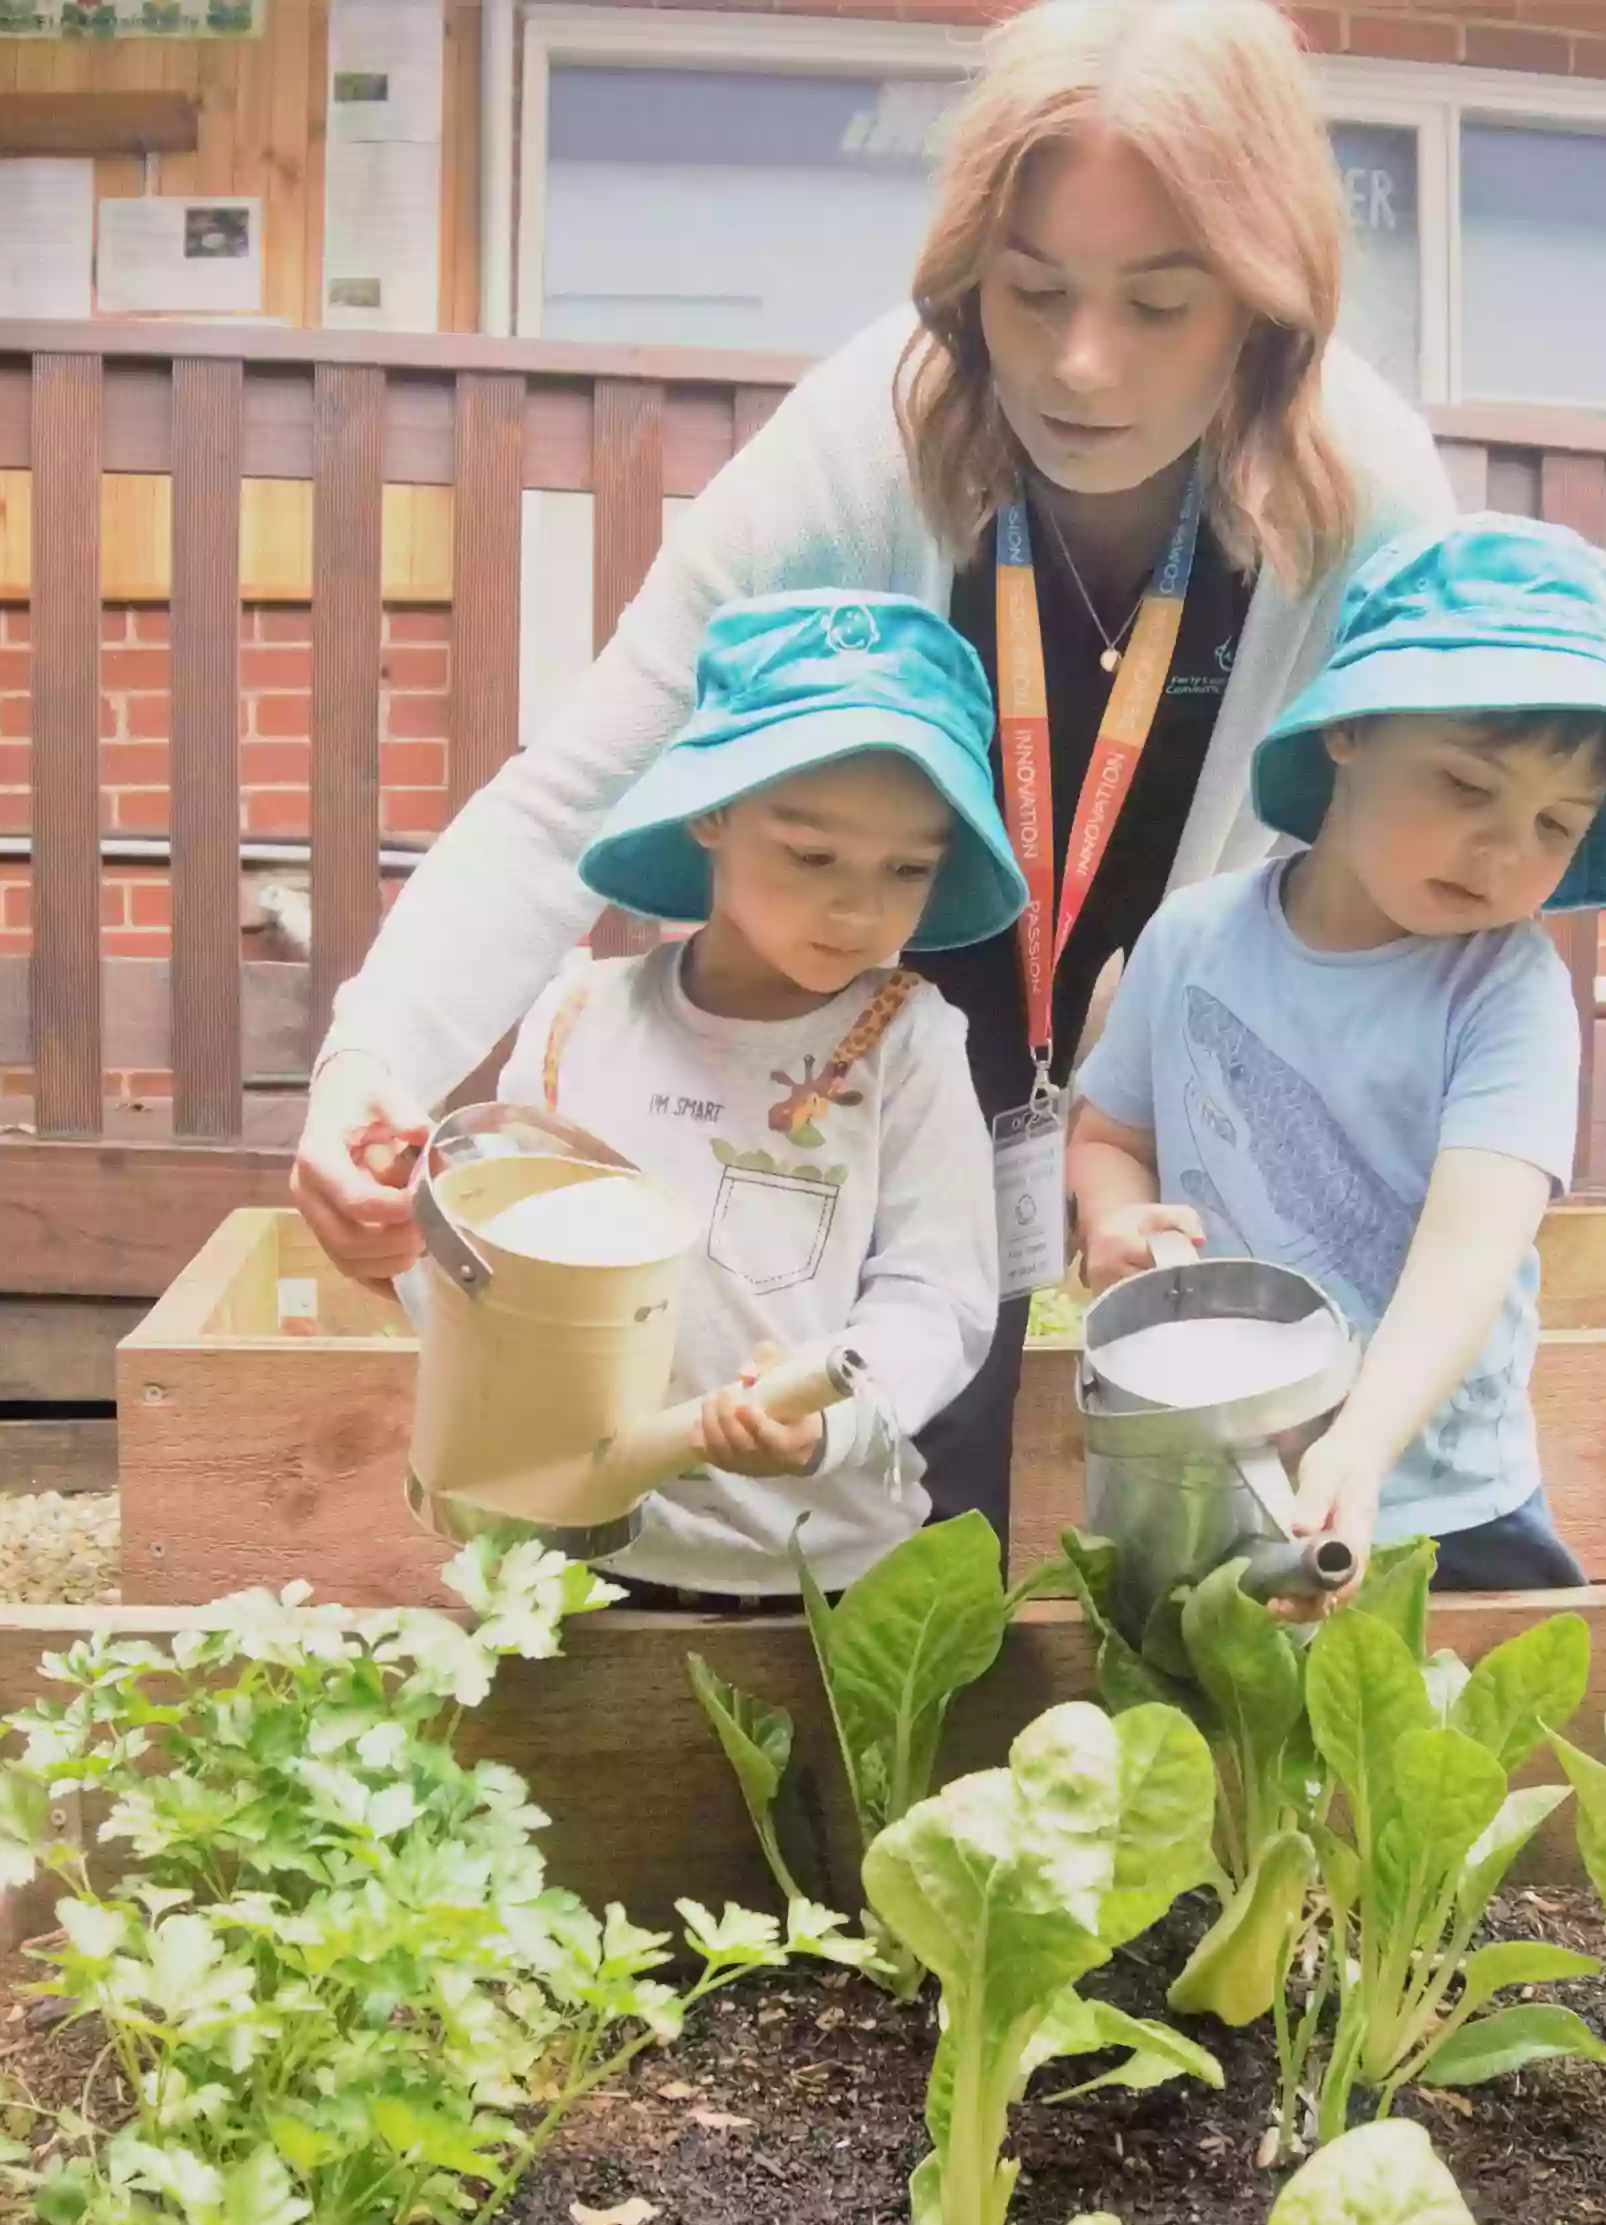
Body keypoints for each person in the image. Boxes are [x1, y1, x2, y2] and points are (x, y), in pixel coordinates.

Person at [291, 0, 1453, 1553]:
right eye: (1031, 292)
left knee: (1238, 1488)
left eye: (1159, 305)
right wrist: (372, 1060)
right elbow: (584, 788)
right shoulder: (860, 438)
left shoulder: (1364, 492)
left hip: (1221, 986)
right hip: (911, 952)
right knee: (898, 1419)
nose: (1082, 365)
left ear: (1265, 307)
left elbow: (1418, 876)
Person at [1065, 516, 1606, 1593]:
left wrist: (1358, 1446)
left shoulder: (1505, 992)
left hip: (1439, 1503)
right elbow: (1109, 1135)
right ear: (1346, 732)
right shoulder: (1191, 940)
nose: (1505, 851)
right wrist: (1114, 1219)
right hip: (1196, 1470)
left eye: (1558, 825)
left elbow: (1468, 1254)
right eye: (1465, 787)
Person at [494, 591, 1023, 1603]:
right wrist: (407, 1239)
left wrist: (829, 1419)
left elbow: (939, 1295)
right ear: (711, 809)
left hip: (830, 1566)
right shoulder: (577, 1025)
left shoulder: (908, 1045)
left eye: (907, 868)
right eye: (811, 854)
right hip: (594, 1556)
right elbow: (505, 1286)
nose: (857, 906)